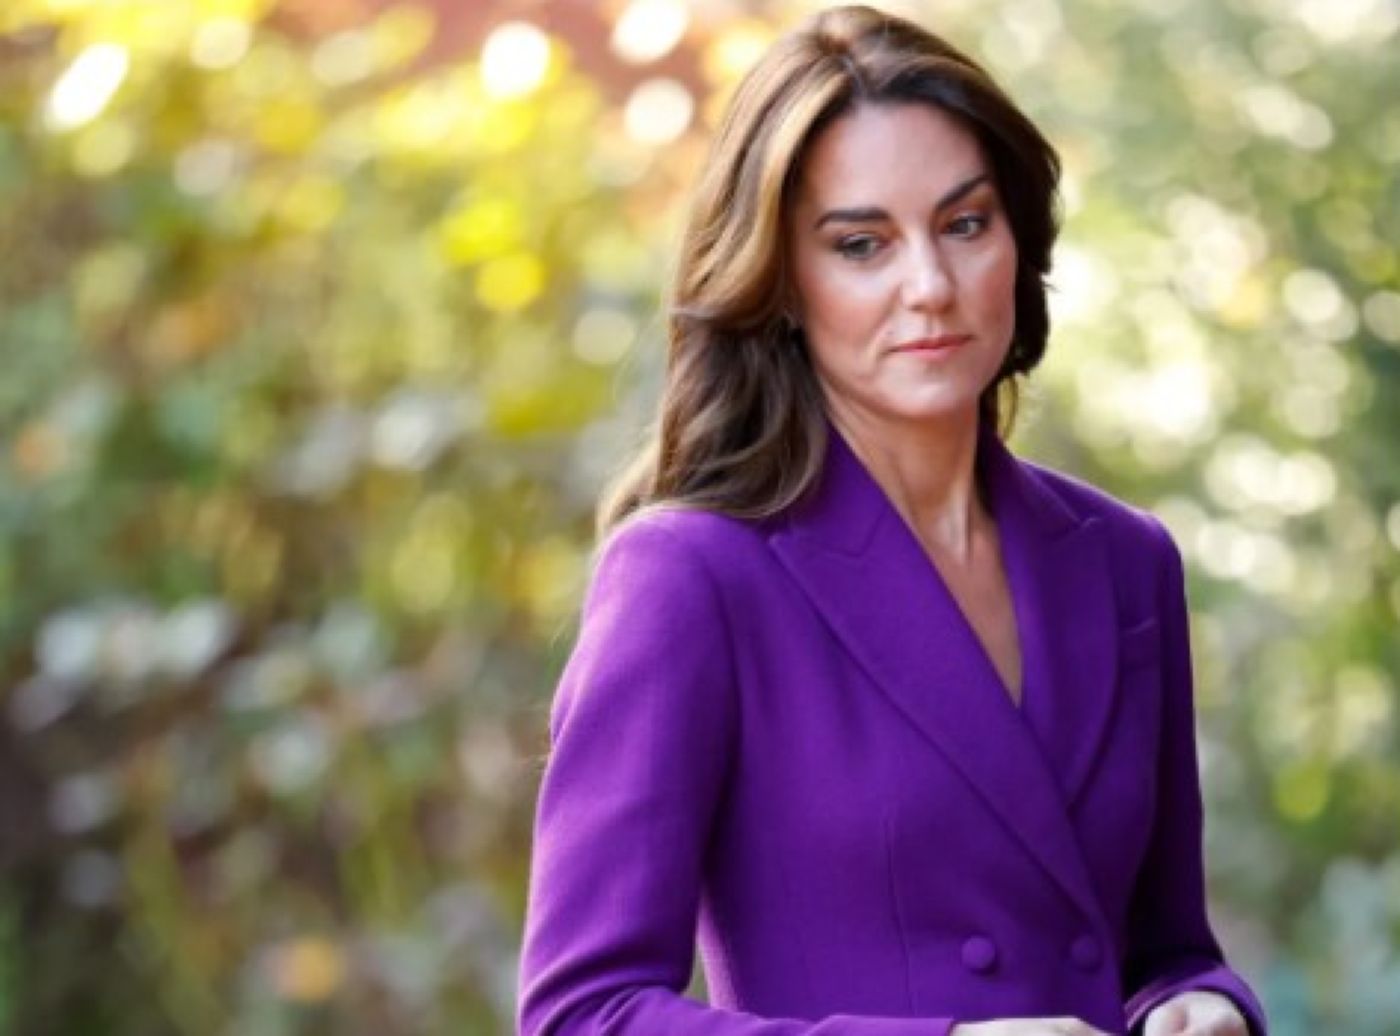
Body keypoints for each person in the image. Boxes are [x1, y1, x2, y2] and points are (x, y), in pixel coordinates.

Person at [517, 5, 1268, 1035]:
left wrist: (1196, 1003)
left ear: (1017, 239)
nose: (929, 286)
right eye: (861, 244)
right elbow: (580, 1015)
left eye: (963, 224)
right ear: (780, 282)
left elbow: (1162, 945)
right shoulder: (689, 575)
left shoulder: (1123, 562)